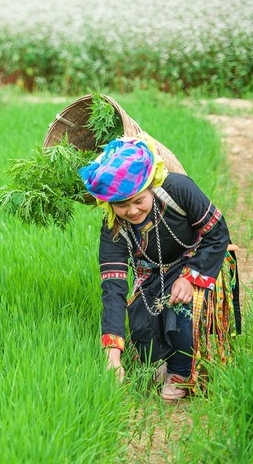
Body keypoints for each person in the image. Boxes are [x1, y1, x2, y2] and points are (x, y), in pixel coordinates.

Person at [78, 134, 239, 401]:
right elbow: (113, 287)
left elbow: (218, 234)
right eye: (121, 205)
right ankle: (163, 360)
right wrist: (112, 354)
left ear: (151, 186)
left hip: (200, 260)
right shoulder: (113, 228)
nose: (131, 211)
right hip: (154, 273)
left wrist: (189, 277)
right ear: (109, 204)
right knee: (141, 325)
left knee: (180, 310)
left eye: (138, 200)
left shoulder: (178, 189)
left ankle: (182, 372)